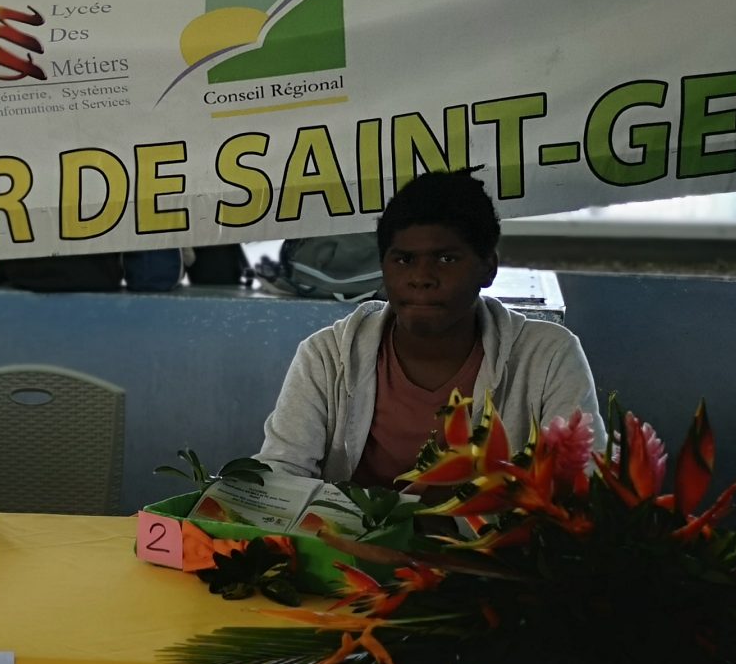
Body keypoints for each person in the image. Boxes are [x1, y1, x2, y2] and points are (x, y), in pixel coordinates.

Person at [257, 169, 600, 486]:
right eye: (403, 260)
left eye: (446, 259)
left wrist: (456, 527)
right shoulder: (327, 357)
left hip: (494, 536)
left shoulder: (548, 357)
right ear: (383, 267)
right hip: (348, 535)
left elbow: (582, 488)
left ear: (488, 268)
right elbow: (278, 477)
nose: (421, 278)